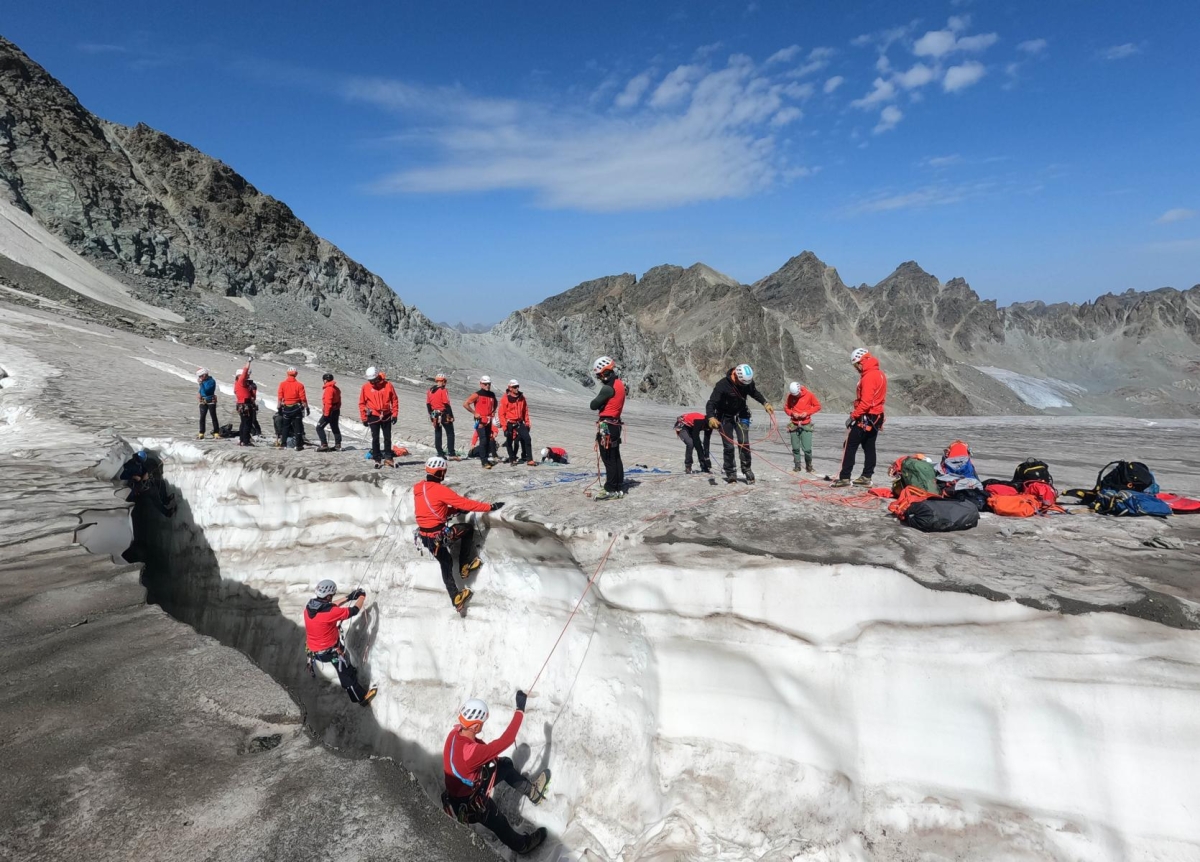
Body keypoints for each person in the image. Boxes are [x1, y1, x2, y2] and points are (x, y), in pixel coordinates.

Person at [442, 691, 548, 855]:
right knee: (501, 824)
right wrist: (520, 709)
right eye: (482, 723)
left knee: (504, 766)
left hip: (458, 797)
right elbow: (507, 739)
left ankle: (532, 793)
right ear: (476, 726)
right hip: (473, 803)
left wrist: (490, 755)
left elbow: (478, 748)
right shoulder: (471, 753)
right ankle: (523, 846)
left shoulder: (454, 734)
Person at [414, 456, 504, 614]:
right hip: (439, 535)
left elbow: (433, 509)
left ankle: (456, 598)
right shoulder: (440, 489)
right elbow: (465, 503)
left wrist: (454, 511)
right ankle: (464, 565)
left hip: (426, 537)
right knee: (467, 529)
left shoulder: (418, 488)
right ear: (440, 472)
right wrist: (489, 506)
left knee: (446, 562)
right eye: (444, 472)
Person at [303, 579, 377, 706]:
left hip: (316, 649)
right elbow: (354, 610)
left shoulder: (309, 608)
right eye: (332, 595)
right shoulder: (330, 613)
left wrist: (348, 597)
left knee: (345, 665)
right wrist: (361, 597)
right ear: (328, 596)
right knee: (345, 674)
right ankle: (361, 698)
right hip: (330, 652)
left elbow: (330, 607)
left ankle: (351, 671)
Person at [705, 364, 775, 485]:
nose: (744, 386)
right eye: (742, 384)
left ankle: (747, 469)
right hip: (724, 417)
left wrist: (765, 403)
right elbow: (711, 403)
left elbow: (754, 392)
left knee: (744, 443)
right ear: (736, 376)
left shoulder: (747, 382)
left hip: (741, 416)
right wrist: (711, 417)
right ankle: (730, 472)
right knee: (729, 446)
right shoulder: (722, 385)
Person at [833, 348, 887, 488]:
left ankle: (845, 477)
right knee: (869, 446)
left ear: (860, 361)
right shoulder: (880, 374)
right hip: (876, 417)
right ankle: (867, 476)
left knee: (849, 445)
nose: (856, 369)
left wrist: (853, 416)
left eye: (856, 365)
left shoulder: (869, 377)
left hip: (866, 417)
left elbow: (866, 402)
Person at [589, 356, 626, 500]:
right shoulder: (619, 384)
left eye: (599, 375)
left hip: (607, 425)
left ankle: (610, 488)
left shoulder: (607, 388)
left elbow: (593, 405)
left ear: (604, 372)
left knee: (608, 457)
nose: (599, 378)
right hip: (616, 424)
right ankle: (618, 484)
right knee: (615, 455)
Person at [359, 366, 399, 468]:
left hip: (386, 415)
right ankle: (377, 458)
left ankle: (388, 458)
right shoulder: (366, 387)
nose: (371, 383)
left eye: (373, 380)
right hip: (373, 416)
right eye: (370, 381)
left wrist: (394, 414)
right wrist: (364, 418)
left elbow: (394, 400)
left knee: (387, 438)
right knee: (375, 438)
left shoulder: (388, 385)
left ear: (377, 376)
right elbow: (362, 403)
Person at [118, 448, 175, 516]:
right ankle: (167, 513)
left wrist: (147, 474)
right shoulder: (129, 465)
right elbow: (122, 476)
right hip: (136, 486)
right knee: (153, 493)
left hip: (144, 481)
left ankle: (165, 500)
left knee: (161, 483)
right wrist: (134, 477)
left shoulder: (140, 464)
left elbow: (144, 470)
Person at [783, 382, 822, 473]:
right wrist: (792, 413)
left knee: (807, 448)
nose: (796, 397)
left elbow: (817, 406)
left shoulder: (809, 395)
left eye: (797, 395)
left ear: (800, 390)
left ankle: (809, 466)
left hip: (806, 424)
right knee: (795, 448)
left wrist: (807, 413)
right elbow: (786, 408)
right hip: (794, 424)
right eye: (794, 395)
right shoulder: (790, 396)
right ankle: (797, 466)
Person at [464, 376, 499, 470]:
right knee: (483, 440)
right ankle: (484, 461)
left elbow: (496, 403)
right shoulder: (477, 394)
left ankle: (485, 459)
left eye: (489, 384)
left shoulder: (492, 395)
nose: (487, 386)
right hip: (480, 421)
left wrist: (493, 411)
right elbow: (466, 404)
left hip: (488, 420)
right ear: (481, 384)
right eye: (485, 384)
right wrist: (474, 413)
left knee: (487, 440)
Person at [498, 380, 535, 466]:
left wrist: (527, 422)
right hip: (509, 423)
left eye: (518, 386)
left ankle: (529, 459)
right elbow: (501, 414)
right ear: (510, 388)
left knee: (527, 438)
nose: (517, 388)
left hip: (519, 422)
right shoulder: (505, 398)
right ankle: (512, 458)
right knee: (509, 441)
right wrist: (504, 427)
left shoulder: (522, 397)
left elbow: (525, 411)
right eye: (514, 387)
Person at [275, 367, 310, 451]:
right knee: (298, 426)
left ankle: (283, 444)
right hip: (297, 408)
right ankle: (298, 445)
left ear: (287, 374)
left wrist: (279, 407)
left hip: (286, 408)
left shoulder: (282, 384)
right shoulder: (300, 385)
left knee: (285, 426)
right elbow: (303, 398)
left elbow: (280, 397)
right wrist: (307, 408)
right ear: (296, 374)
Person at [427, 373, 457, 459]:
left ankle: (440, 452)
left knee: (438, 433)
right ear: (443, 381)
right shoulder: (443, 390)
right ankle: (451, 453)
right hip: (443, 414)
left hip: (434, 414)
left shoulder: (430, 390)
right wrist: (451, 415)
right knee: (450, 433)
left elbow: (428, 404)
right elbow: (446, 403)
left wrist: (431, 415)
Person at [316, 372, 342, 452]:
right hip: (335, 410)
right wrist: (336, 408)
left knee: (319, 427)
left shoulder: (328, 389)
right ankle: (338, 445)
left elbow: (328, 403)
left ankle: (324, 444)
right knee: (334, 427)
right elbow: (339, 401)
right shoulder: (336, 388)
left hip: (329, 411)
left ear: (325, 380)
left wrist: (326, 414)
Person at [233, 360, 256, 447]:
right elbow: (245, 372)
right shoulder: (241, 381)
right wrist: (248, 362)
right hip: (245, 405)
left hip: (241, 404)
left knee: (243, 422)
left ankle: (242, 440)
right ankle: (246, 441)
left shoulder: (238, 384)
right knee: (247, 423)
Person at [196, 368, 220, 439]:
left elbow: (206, 391)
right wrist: (199, 393)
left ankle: (216, 432)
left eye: (200, 376)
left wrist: (200, 384)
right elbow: (201, 390)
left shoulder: (211, 381)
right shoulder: (203, 381)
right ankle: (201, 432)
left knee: (213, 417)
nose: (199, 378)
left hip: (210, 401)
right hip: (203, 401)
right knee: (202, 417)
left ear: (204, 375)